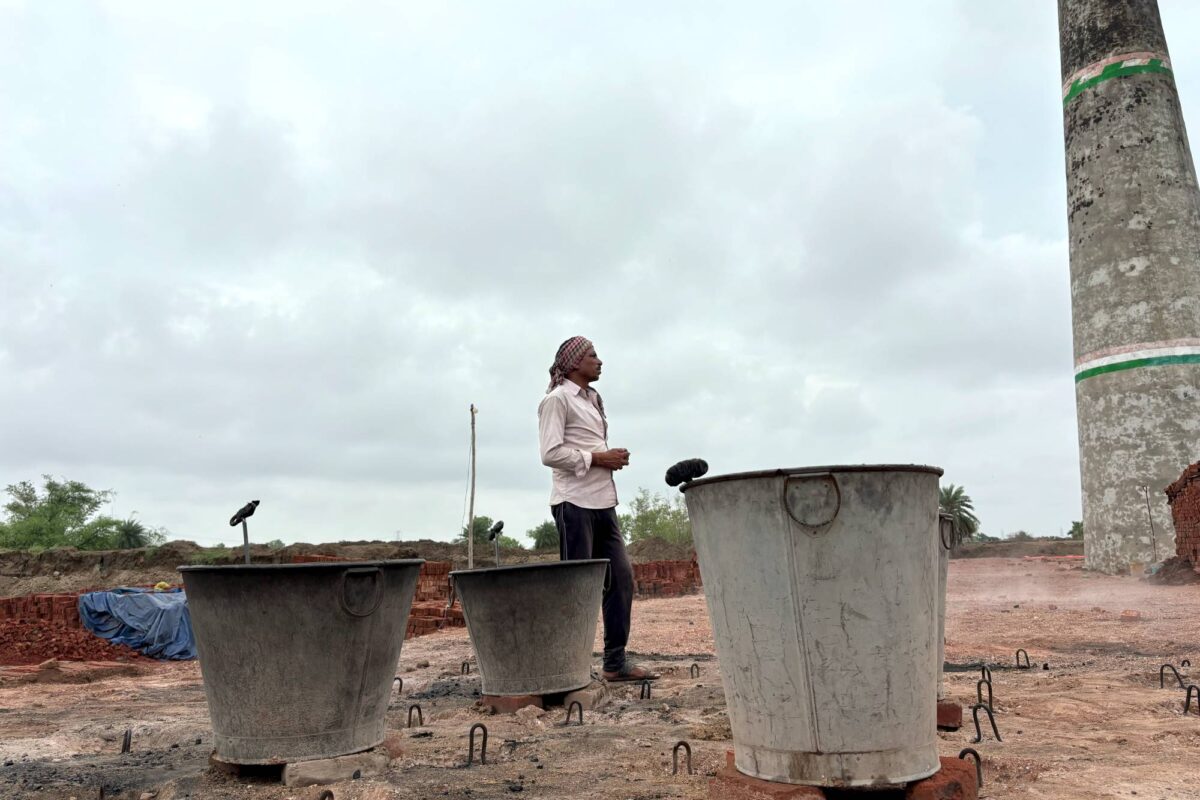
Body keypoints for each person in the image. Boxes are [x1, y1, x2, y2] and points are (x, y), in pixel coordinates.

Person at [537, 336, 656, 682]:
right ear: (574, 362)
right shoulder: (556, 400)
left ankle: (614, 663)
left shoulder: (592, 400)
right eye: (592, 356)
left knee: (621, 578)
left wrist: (608, 458)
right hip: (573, 503)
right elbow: (549, 453)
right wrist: (598, 458)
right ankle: (570, 668)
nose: (599, 361)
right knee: (579, 588)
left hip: (603, 502)